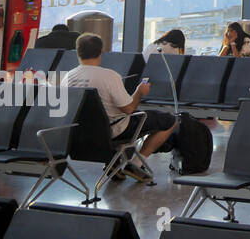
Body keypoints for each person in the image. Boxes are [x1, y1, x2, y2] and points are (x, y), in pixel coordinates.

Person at [65, 34, 176, 183]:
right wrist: (139, 92)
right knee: (169, 120)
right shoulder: (109, 76)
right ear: (100, 52)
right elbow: (129, 109)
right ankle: (135, 164)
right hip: (113, 131)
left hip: (82, 135)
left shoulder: (68, 77)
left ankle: (114, 164)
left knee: (116, 115)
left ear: (78, 52)